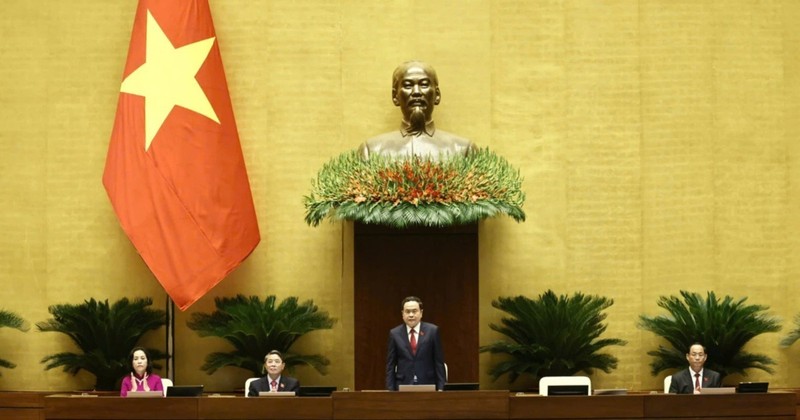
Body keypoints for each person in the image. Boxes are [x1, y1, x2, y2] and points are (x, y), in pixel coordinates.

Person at [359, 61, 476, 161]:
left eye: (424, 84)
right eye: (408, 85)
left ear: (437, 95)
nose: (416, 92)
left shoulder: (462, 150)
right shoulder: (372, 150)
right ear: (395, 96)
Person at [386, 296, 446, 391]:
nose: (411, 315)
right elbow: (391, 365)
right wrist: (390, 390)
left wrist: (441, 388)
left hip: (428, 384)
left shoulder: (432, 331)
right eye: (407, 311)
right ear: (402, 314)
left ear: (421, 313)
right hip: (403, 385)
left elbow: (438, 362)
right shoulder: (394, 334)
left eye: (414, 311)